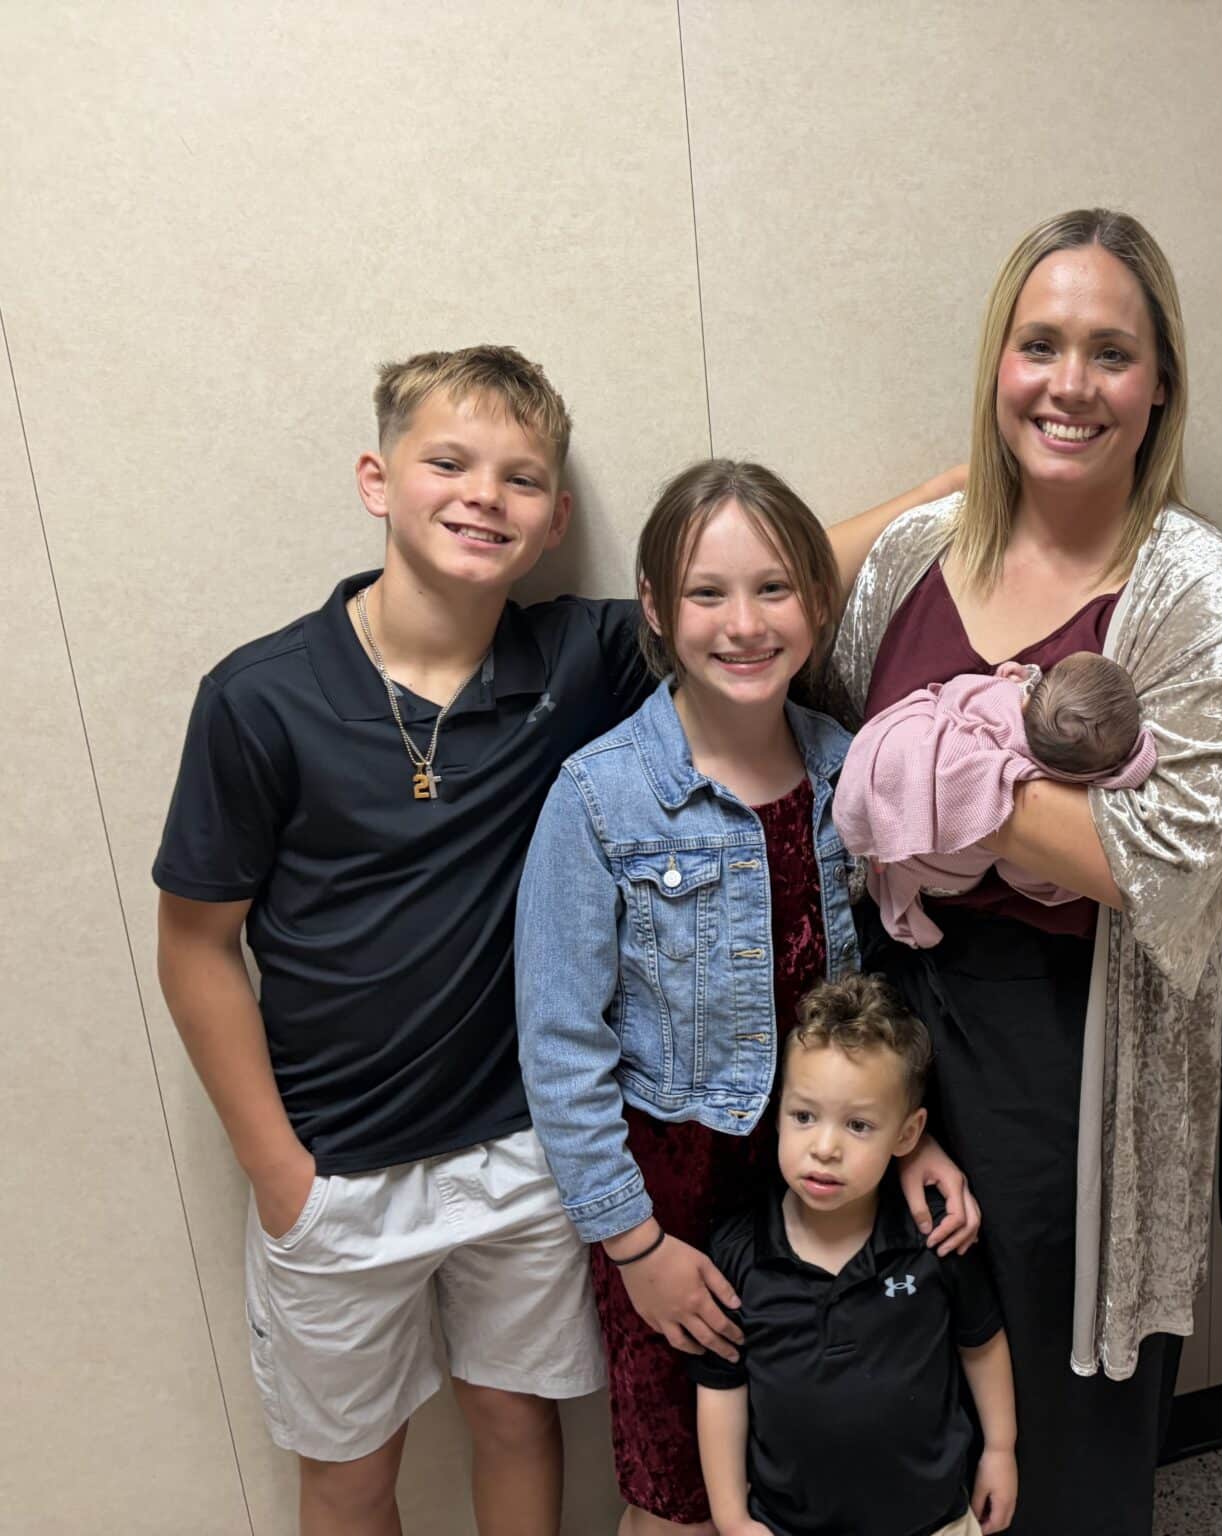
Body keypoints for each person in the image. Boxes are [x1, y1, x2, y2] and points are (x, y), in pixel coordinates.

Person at [152, 342, 957, 1536]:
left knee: (519, 1427)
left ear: (555, 519)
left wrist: (974, 478)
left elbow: (766, 568)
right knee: (351, 1472)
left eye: (519, 478)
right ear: (377, 480)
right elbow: (195, 946)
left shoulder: (571, 656)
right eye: (447, 462)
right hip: (341, 1164)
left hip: (520, 1162)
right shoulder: (261, 697)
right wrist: (282, 1176)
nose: (483, 495)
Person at [826, 207, 1222, 1535]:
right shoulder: (919, 555)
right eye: (1039, 346)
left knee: (1061, 1403)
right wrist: (942, 489)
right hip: (901, 1014)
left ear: (1160, 389)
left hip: (1078, 1045)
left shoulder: (1193, 587)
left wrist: (939, 764)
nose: (1070, 383)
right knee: (910, 1360)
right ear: (996, 366)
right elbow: (737, 587)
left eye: (1110, 353)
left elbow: (1168, 865)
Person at [514, 460, 979, 1536]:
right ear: (654, 610)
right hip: (673, 1206)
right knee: (680, 1500)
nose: (743, 624)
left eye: (773, 589)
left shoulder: (847, 770)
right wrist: (636, 1251)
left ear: (818, 600)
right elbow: (557, 1048)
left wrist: (909, 1140)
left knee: (808, 1473)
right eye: (706, 594)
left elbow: (883, 990)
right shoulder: (599, 796)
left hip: (827, 1179)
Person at [690, 975, 1019, 1536]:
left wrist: (1001, 1450)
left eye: (859, 1125)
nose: (824, 1147)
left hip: (934, 1522)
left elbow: (981, 1343)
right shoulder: (740, 1252)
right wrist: (731, 1516)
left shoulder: (934, 1235)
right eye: (804, 1116)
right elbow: (722, 1389)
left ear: (908, 1133)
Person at [836, 652, 1158, 947]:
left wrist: (1017, 680)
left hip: (898, 782)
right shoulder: (1048, 781)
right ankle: (878, 855)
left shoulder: (1002, 701)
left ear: (1025, 702)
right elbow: (1023, 874)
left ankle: (870, 841)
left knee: (904, 766)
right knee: (925, 859)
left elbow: (956, 692)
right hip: (939, 871)